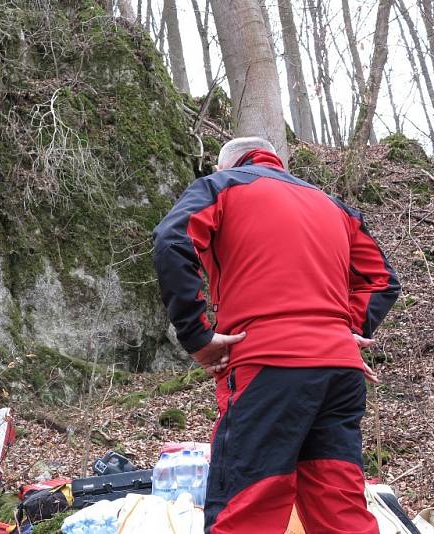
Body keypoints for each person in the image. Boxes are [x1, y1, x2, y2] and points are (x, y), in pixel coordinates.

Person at [152, 137, 400, 533]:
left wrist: (198, 337)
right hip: (339, 372)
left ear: (226, 164)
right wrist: (345, 330)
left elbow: (172, 240)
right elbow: (382, 281)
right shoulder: (334, 206)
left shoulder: (222, 186)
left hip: (268, 368)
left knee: (247, 509)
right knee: (341, 509)